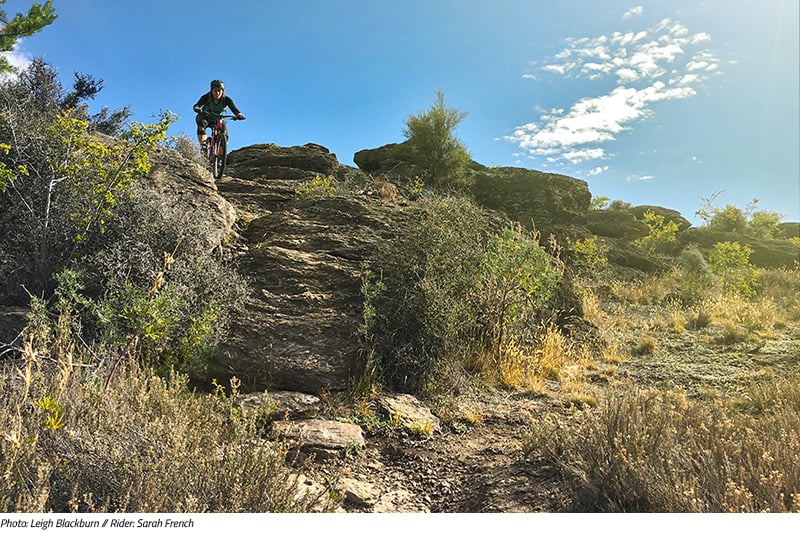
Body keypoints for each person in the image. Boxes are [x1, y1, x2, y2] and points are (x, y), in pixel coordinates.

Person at [193, 79, 245, 151]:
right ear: (211, 90)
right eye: (215, 90)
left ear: (223, 91)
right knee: (202, 123)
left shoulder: (226, 100)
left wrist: (239, 115)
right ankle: (203, 144)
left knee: (224, 133)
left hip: (218, 119)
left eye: (219, 90)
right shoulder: (206, 97)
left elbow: (235, 109)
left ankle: (220, 156)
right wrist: (197, 108)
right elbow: (197, 105)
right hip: (205, 117)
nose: (217, 93)